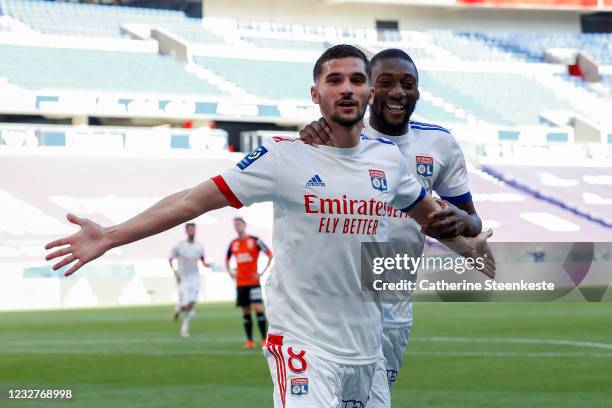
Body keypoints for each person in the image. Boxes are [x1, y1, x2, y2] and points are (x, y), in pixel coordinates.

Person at [45, 45, 493, 408]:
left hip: (368, 345)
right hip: (301, 341)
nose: (347, 88)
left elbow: (434, 222)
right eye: (334, 80)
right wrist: (109, 235)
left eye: (357, 79)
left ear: (368, 94)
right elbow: (190, 201)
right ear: (315, 94)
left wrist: (476, 249)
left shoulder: (390, 164)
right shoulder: (283, 156)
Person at [300, 48, 485, 407]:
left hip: (394, 309)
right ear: (369, 90)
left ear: (418, 92)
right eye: (385, 82)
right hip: (335, 307)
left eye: (408, 84)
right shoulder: (337, 136)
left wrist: (464, 221)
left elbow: (472, 222)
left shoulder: (439, 143)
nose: (398, 92)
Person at [225, 216, 273, 349]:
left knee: (258, 308)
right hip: (241, 283)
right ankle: (250, 341)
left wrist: (262, 272)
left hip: (253, 282)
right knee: (246, 311)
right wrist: (230, 272)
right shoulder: (233, 243)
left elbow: (270, 254)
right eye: (235, 224)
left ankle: (264, 339)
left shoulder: (255, 240)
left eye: (239, 223)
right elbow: (226, 259)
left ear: (244, 225)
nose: (237, 226)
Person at [168, 222, 207, 338]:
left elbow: (203, 260)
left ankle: (179, 314)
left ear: (195, 231)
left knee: (191, 306)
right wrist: (175, 271)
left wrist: (209, 265)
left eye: (193, 229)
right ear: (186, 231)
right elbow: (170, 259)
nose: (191, 232)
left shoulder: (199, 246)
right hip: (183, 278)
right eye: (189, 230)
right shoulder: (180, 246)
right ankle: (180, 313)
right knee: (187, 304)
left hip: (195, 278)